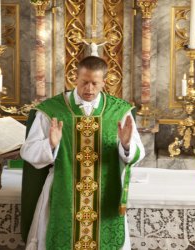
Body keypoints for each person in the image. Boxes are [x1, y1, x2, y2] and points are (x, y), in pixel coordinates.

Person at [20, 56, 145, 250]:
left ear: (105, 81)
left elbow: (138, 153)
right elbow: (28, 152)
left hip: (104, 195)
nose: (89, 89)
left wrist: (126, 144)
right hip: (63, 191)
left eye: (95, 83)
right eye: (84, 82)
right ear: (74, 78)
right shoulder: (51, 110)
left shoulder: (119, 111)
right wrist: (50, 145)